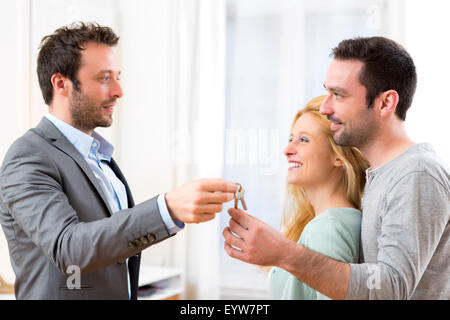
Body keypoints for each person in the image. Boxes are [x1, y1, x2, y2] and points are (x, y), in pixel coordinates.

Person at [0, 22, 237, 300]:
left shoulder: (99, 157)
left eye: (118, 77)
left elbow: (111, 246)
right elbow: (69, 249)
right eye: (104, 78)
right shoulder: (27, 156)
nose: (118, 91)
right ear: (61, 84)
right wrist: (167, 208)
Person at [223, 36, 450, 299]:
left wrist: (284, 253)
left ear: (385, 103)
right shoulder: (383, 175)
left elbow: (391, 287)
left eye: (339, 95)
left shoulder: (416, 173)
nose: (325, 107)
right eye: (327, 92)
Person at [270, 95, 369, 299]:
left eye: (304, 140)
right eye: (291, 139)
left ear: (338, 156)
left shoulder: (328, 228)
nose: (287, 150)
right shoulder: (347, 220)